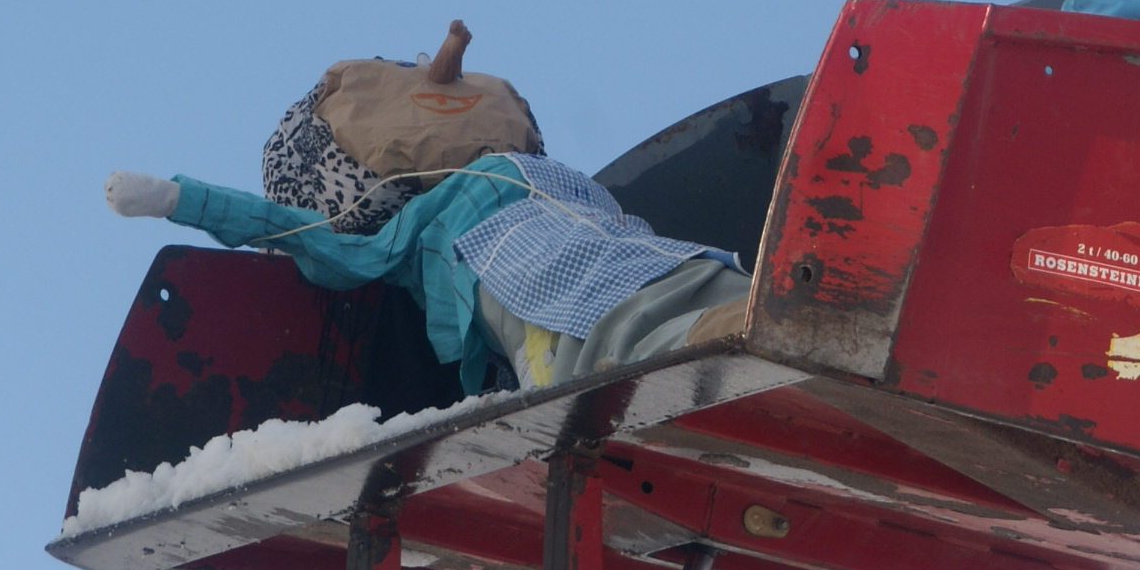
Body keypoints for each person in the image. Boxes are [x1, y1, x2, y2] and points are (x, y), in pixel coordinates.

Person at [101, 154, 751, 395]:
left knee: (612, 354)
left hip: (539, 288)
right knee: (677, 294)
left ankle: (730, 334)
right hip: (653, 257)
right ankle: (750, 309)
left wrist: (182, 201)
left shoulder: (419, 227)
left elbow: (315, 242)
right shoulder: (559, 177)